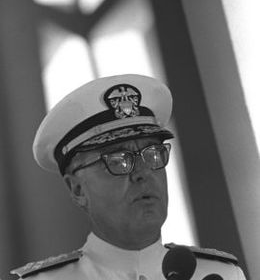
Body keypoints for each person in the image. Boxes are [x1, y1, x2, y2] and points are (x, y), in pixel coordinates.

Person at [11, 74, 247, 279]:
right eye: (118, 160)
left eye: (153, 154)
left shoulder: (220, 275)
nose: (143, 173)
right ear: (77, 190)